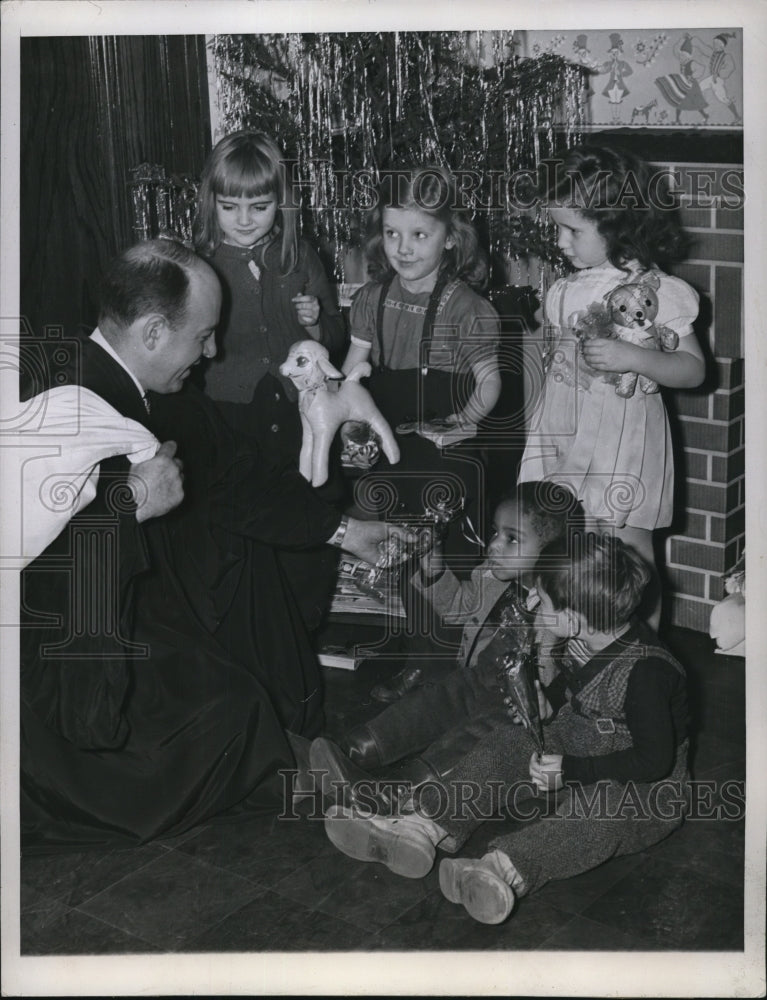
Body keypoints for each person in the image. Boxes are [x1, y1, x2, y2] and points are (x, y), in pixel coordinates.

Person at [19, 238, 407, 852]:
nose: (212, 351)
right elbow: (40, 571)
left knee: (242, 636)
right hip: (57, 652)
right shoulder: (56, 403)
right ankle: (299, 780)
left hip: (129, 608)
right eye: (202, 336)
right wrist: (131, 505)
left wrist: (348, 532)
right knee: (220, 711)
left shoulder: (153, 392)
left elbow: (235, 476)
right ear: (152, 332)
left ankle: (298, 766)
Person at [319, 533, 691, 926]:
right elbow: (577, 687)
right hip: (580, 746)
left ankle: (500, 870)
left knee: (601, 811)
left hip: (646, 788)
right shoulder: (585, 637)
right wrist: (551, 702)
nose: (532, 603)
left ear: (572, 619)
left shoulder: (649, 672)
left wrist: (570, 772)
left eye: (542, 600)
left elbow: (653, 761)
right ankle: (423, 825)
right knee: (507, 743)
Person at [517, 144, 705, 628]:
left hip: (625, 440)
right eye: (558, 226)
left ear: (617, 224)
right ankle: (580, 644)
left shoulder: (653, 290)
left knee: (629, 550)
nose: (560, 241)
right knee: (568, 543)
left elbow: (693, 369)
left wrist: (636, 357)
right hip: (565, 429)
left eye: (572, 229)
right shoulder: (565, 288)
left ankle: (642, 653)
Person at [307, 482, 583, 810]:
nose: (494, 544)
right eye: (495, 532)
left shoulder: (563, 607)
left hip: (516, 710)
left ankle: (397, 793)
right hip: (475, 679)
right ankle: (351, 750)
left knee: (473, 737)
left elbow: (558, 679)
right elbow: (457, 607)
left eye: (512, 539)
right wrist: (432, 563)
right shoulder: (493, 576)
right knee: (429, 704)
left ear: (554, 551)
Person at [192, 130, 347, 628]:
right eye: (230, 207)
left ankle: (302, 625)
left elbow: (335, 341)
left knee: (305, 516)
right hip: (232, 417)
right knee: (246, 527)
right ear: (210, 203)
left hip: (300, 415)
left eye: (258, 207)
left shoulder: (298, 257)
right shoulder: (200, 263)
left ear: (280, 205)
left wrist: (313, 322)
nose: (243, 221)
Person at [341, 164, 502, 567]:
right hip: (388, 444)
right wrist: (351, 433)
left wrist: (463, 422)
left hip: (442, 447)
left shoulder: (467, 308)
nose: (403, 248)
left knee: (442, 557)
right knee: (387, 547)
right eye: (393, 233)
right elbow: (349, 382)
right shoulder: (370, 299)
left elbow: (489, 382)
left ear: (450, 238)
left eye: (419, 235)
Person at [654, 34, 709, 125]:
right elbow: (675, 50)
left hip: (692, 86)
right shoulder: (682, 62)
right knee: (679, 101)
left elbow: (701, 69)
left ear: (688, 56)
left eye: (683, 56)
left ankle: (705, 115)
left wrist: (692, 76)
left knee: (695, 102)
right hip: (684, 84)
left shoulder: (691, 63)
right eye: (680, 56)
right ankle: (677, 120)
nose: (681, 57)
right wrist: (681, 39)